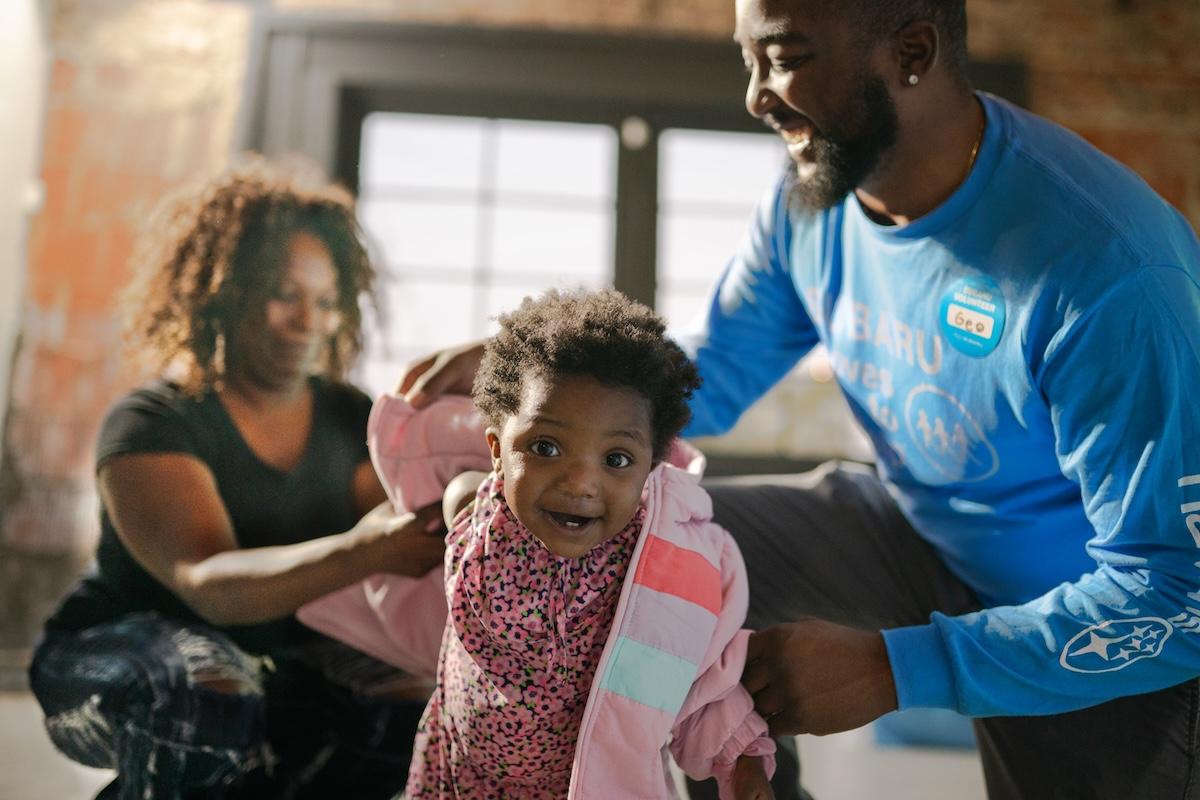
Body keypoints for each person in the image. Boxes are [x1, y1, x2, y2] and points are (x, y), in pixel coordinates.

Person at [392, 1, 1200, 798]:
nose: (754, 96)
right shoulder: (813, 202)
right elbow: (716, 373)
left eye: (782, 56)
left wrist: (896, 668)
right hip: (916, 529)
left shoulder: (1114, 275)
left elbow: (1179, 589)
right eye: (748, 59)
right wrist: (548, 376)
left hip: (1082, 602)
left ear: (911, 52)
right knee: (658, 556)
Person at [27, 160, 447, 800]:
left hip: (285, 660)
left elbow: (400, 537)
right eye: (284, 293)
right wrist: (368, 548)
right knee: (209, 692)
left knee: (410, 701)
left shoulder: (350, 417)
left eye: (327, 301)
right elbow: (210, 584)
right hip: (112, 656)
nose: (308, 320)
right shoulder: (153, 421)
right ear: (226, 289)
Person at [303, 288, 777, 799]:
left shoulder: (658, 574)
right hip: (459, 780)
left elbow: (701, 680)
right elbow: (454, 493)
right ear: (496, 451)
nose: (578, 482)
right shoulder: (474, 509)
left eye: (615, 459)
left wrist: (741, 762)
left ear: (651, 469)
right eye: (545, 447)